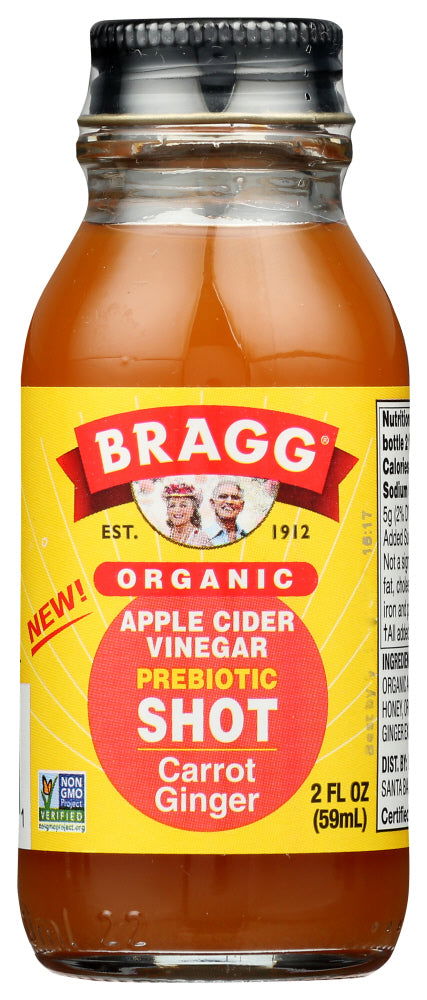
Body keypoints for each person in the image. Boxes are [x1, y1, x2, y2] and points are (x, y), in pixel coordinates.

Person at [162, 482, 211, 547]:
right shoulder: (163, 534)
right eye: (172, 506)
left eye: (183, 505)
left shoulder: (202, 539)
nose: (177, 510)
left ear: (193, 509)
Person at [207, 479, 247, 545]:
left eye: (235, 498)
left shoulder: (248, 536)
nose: (229, 501)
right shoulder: (203, 537)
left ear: (241, 506)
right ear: (213, 503)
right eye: (223, 497)